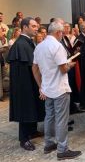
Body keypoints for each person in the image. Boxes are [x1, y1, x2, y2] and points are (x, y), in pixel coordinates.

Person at [32, 21, 82, 160]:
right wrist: (70, 64)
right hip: (59, 87)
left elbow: (34, 69)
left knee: (49, 116)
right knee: (61, 119)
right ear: (58, 32)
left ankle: (48, 144)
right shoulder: (57, 46)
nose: (63, 35)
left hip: (47, 87)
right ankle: (62, 149)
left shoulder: (39, 46)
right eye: (62, 32)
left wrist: (40, 85)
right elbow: (63, 68)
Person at [7, 17, 45, 151]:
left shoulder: (28, 42)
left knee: (32, 106)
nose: (36, 29)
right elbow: (22, 70)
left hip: (31, 82)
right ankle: (24, 139)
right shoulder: (20, 44)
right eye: (33, 26)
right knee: (25, 108)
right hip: (24, 85)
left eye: (37, 26)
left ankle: (32, 131)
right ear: (24, 27)